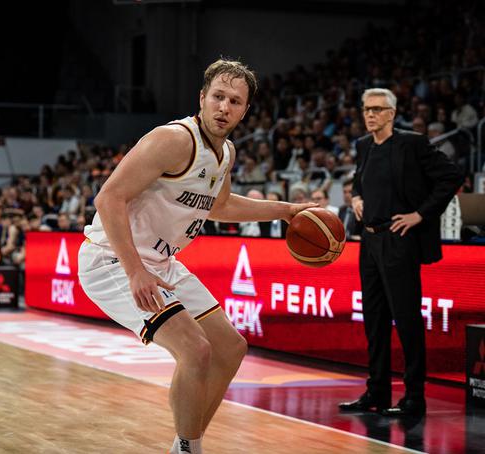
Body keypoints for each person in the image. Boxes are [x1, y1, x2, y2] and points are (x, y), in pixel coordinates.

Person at [78, 59, 315, 454]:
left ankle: (185, 445)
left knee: (230, 348)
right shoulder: (173, 139)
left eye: (235, 102)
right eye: (218, 97)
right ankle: (190, 448)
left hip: (161, 262)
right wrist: (136, 271)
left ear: (245, 110)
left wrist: (286, 210)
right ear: (202, 98)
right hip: (113, 260)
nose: (224, 107)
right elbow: (108, 196)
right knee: (195, 349)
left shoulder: (225, 153)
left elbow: (219, 206)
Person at [338, 88, 462, 417]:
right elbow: (361, 181)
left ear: (392, 113)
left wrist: (420, 215)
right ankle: (376, 391)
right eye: (366, 109)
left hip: (399, 240)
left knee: (406, 320)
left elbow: (451, 176)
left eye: (378, 109)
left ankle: (413, 397)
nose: (370, 115)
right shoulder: (363, 145)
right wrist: (357, 197)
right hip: (369, 241)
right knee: (374, 321)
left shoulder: (412, 143)